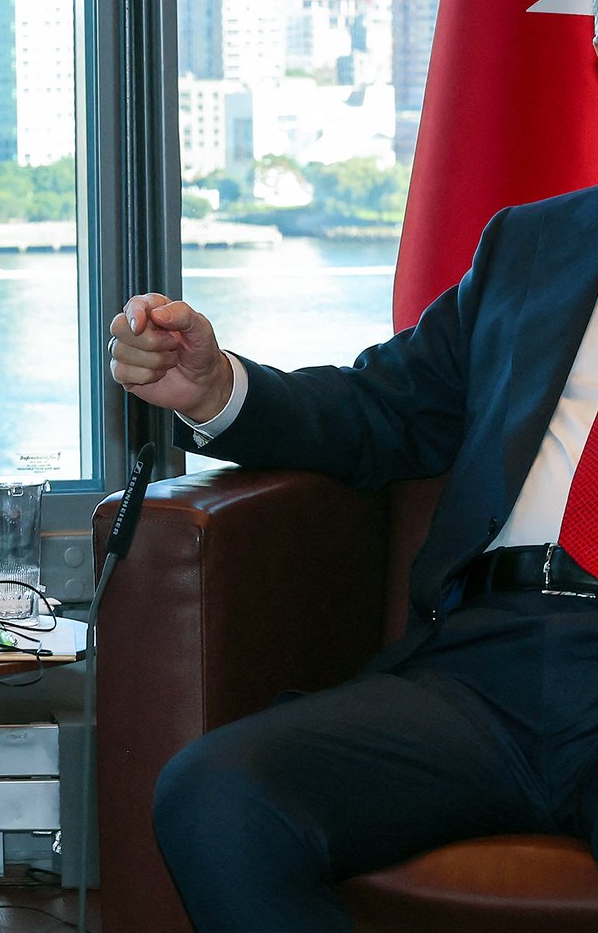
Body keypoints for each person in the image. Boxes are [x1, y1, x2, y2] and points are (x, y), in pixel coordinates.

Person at [109, 177, 598, 932]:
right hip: (485, 666)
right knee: (222, 795)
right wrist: (213, 388)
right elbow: (383, 408)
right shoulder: (535, 241)